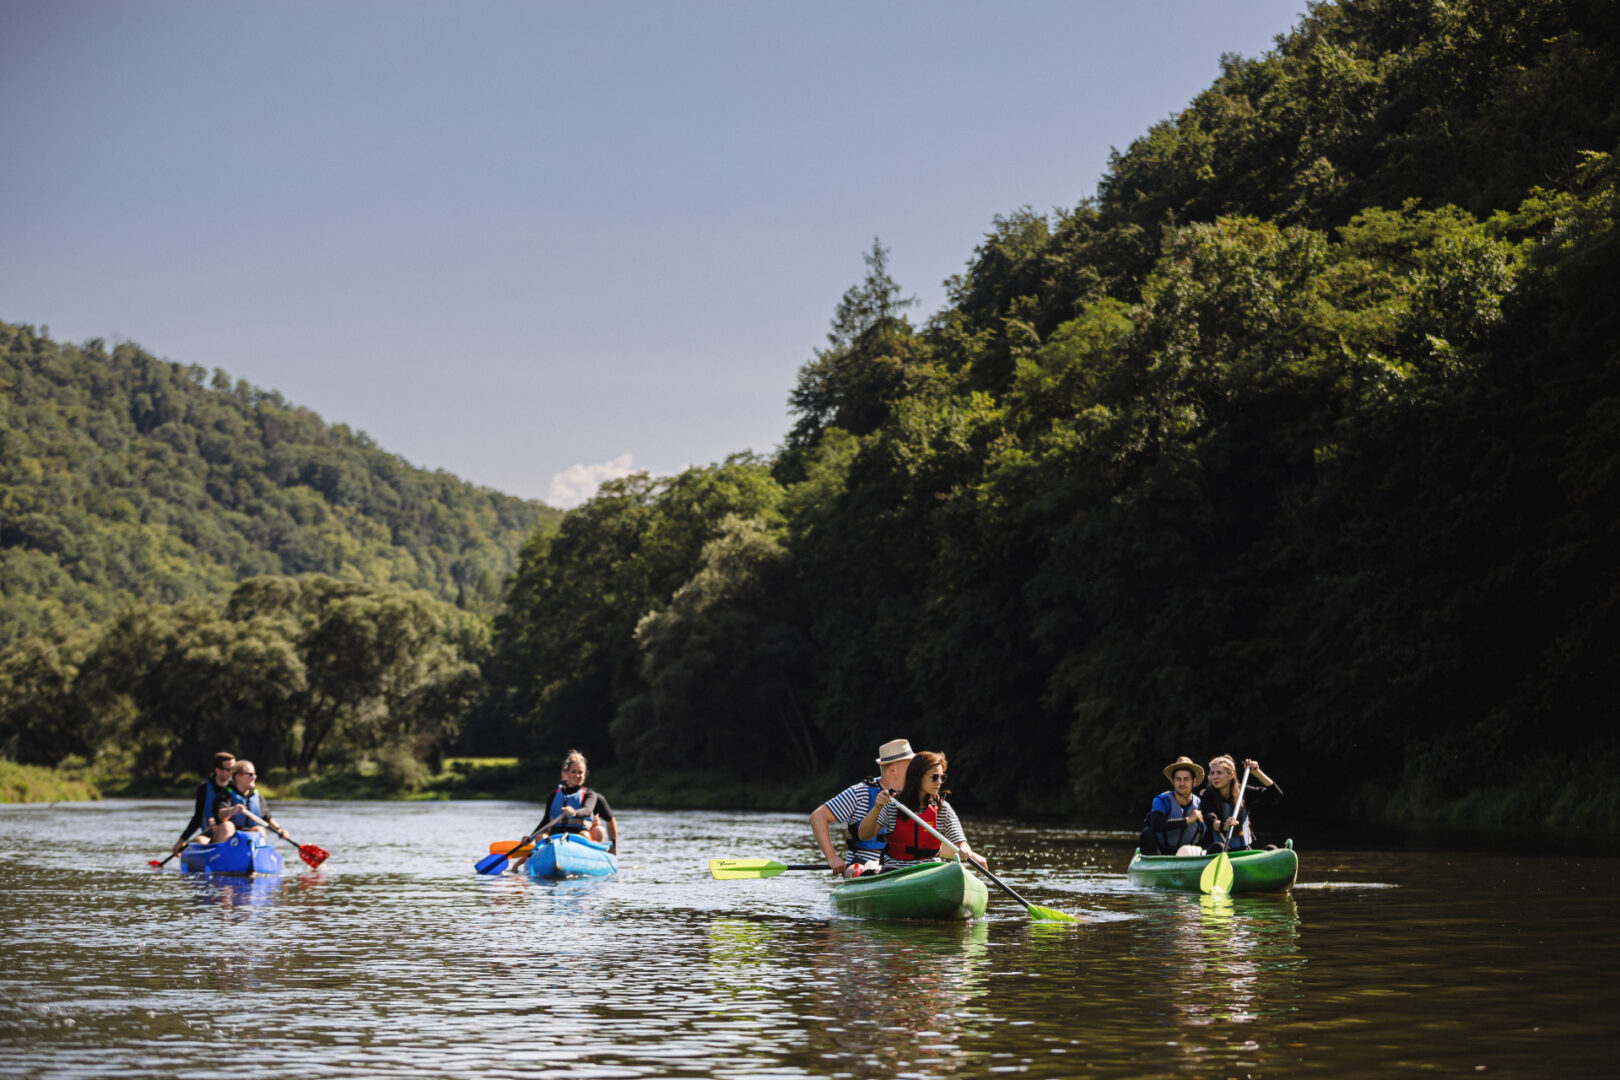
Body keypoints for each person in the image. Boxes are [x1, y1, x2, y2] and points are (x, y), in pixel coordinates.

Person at [857, 750, 988, 871]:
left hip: (931, 871)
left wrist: (965, 850)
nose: (939, 782)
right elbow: (864, 835)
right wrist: (877, 808)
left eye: (943, 777)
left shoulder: (942, 808)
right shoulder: (893, 805)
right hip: (895, 871)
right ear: (918, 776)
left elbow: (961, 842)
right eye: (935, 777)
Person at [810, 738, 915, 877]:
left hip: (900, 864)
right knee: (864, 870)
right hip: (863, 864)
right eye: (910, 766)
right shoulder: (860, 792)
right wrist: (832, 858)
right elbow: (818, 817)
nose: (915, 770)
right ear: (893, 769)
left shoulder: (913, 795)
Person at [522, 750, 618, 857]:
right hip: (555, 839)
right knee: (540, 837)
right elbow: (545, 821)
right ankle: (548, 860)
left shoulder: (590, 795)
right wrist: (530, 837)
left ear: (585, 774)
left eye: (580, 772)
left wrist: (574, 812)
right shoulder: (553, 795)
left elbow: (587, 811)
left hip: (577, 837)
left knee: (585, 834)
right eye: (573, 772)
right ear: (566, 773)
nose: (577, 775)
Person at [1200, 755, 1284, 852]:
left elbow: (1276, 795)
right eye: (1212, 773)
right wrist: (1224, 825)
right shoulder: (1207, 795)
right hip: (1220, 851)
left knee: (1271, 849)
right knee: (1218, 846)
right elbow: (1209, 818)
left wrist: (1257, 773)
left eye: (1219, 773)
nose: (1215, 777)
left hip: (1243, 850)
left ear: (1231, 775)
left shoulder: (1243, 791)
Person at [1138, 756, 1208, 855]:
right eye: (1178, 779)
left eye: (1186, 779)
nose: (1182, 783)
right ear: (1172, 781)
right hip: (1161, 853)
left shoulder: (1200, 805)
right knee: (1147, 833)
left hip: (1188, 854)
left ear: (1194, 781)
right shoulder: (1161, 800)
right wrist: (1188, 820)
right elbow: (1157, 824)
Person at [171, 751, 236, 855]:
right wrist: (181, 841)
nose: (233, 773)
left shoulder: (237, 788)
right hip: (209, 836)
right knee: (200, 841)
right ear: (218, 771)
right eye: (229, 770)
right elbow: (197, 818)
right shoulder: (204, 789)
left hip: (233, 836)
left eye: (235, 769)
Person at [210, 760, 289, 844]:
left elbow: (267, 817)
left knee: (259, 830)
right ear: (238, 776)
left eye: (255, 774)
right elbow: (220, 815)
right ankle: (224, 854)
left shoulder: (256, 796)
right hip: (230, 837)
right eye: (250, 774)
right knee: (227, 826)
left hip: (248, 836)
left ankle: (256, 853)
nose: (254, 777)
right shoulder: (225, 794)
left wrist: (279, 829)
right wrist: (232, 810)